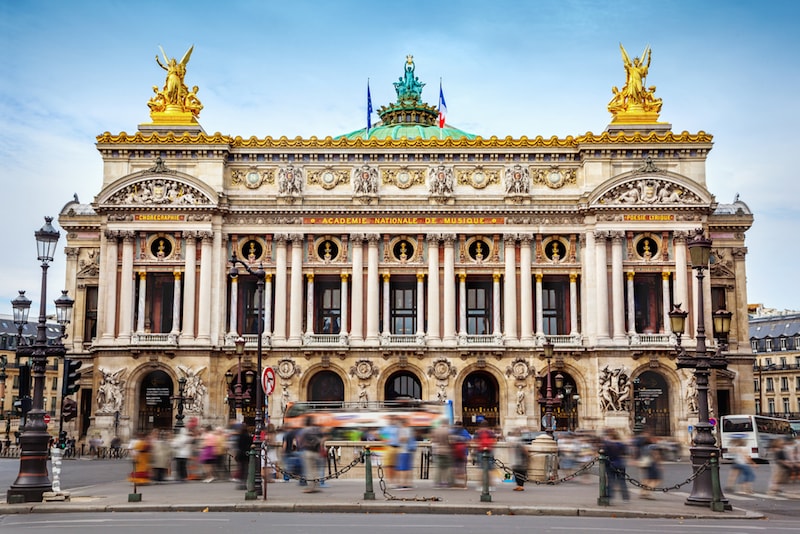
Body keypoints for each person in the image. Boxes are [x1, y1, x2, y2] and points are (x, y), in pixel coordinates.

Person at [298, 417, 324, 493]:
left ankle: (310, 487)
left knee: (309, 470)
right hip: (317, 452)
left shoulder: (304, 430)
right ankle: (316, 486)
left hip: (308, 451)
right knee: (315, 470)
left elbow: (300, 441)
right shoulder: (317, 430)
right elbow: (322, 439)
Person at [603, 429, 629, 502]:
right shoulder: (621, 444)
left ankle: (610, 497)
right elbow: (625, 453)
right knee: (622, 481)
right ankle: (625, 498)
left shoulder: (607, 443)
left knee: (611, 481)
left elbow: (603, 453)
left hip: (610, 464)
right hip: (620, 463)